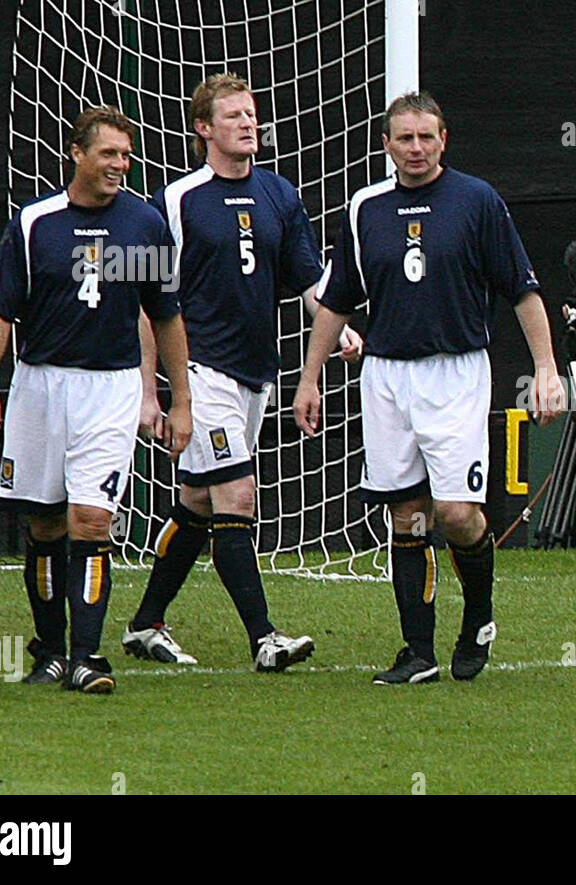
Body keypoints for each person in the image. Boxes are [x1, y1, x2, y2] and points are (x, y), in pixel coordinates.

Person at [293, 91, 565, 684]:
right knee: (407, 515)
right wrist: (310, 377)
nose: (415, 148)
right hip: (387, 376)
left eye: (426, 137)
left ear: (444, 140)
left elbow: (521, 289)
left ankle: (479, 619)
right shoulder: (366, 207)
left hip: (456, 372)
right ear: (386, 144)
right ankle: (417, 652)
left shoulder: (476, 201)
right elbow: (338, 300)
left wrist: (546, 368)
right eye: (404, 138)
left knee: (457, 512)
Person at [121, 73, 358, 672]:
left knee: (199, 500)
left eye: (252, 114)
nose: (248, 124)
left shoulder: (280, 194)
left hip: (257, 372)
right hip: (202, 372)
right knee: (236, 494)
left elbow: (309, 279)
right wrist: (151, 390)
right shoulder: (177, 200)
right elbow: (149, 301)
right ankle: (265, 638)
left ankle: (146, 623)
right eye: (233, 117)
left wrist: (338, 326)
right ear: (204, 129)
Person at [0, 106, 192, 694]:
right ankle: (49, 652)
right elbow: (0, 308)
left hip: (109, 387)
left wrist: (181, 401)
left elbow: (165, 315)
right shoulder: (36, 223)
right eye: (109, 154)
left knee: (91, 519)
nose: (120, 164)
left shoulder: (143, 225)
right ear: (78, 154)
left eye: (126, 154)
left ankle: (88, 658)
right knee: (44, 524)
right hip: (41, 385)